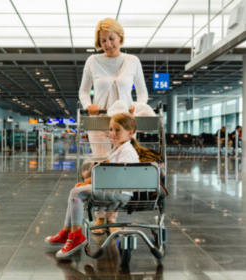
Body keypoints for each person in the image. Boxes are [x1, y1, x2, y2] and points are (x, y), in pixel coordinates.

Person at [45, 113, 143, 258]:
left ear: (130, 133)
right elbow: (110, 173)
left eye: (117, 130)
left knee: (76, 193)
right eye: (110, 129)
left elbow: (119, 178)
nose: (112, 134)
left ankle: (74, 236)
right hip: (115, 190)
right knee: (76, 191)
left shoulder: (127, 152)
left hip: (119, 193)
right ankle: (68, 232)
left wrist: (91, 183)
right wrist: (87, 183)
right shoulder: (119, 149)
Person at [79, 18, 148, 155]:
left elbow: (142, 93)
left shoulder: (132, 61)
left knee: (125, 164)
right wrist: (88, 106)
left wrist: (138, 106)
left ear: (120, 36)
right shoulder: (93, 61)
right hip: (99, 124)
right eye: (103, 41)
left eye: (111, 38)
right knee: (101, 163)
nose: (108, 44)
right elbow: (84, 91)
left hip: (125, 125)